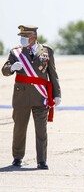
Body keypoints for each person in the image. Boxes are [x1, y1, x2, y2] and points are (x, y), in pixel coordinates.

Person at [2, 25, 61, 170]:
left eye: (25, 37)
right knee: (19, 129)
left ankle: (42, 160)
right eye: (21, 37)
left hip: (41, 96)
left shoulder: (47, 51)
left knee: (41, 130)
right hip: (21, 96)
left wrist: (57, 94)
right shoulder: (15, 52)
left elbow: (53, 74)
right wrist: (11, 68)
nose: (22, 39)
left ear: (33, 36)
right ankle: (17, 157)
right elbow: (4, 70)